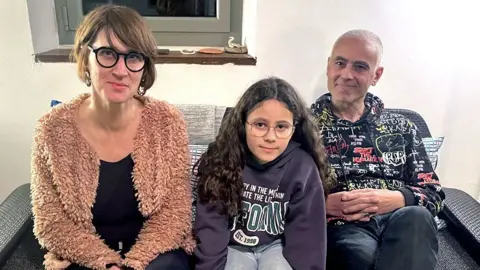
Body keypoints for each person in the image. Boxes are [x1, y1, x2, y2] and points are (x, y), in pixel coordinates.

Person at [30, 5, 194, 270]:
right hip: (85, 257)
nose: (121, 70)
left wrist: (132, 265)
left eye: (134, 57)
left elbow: (175, 214)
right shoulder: (52, 129)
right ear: (86, 57)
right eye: (108, 53)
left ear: (144, 67)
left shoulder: (167, 123)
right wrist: (106, 264)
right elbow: (51, 221)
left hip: (153, 257)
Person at [310, 29, 445, 270]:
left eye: (360, 67)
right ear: (329, 66)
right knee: (359, 257)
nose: (347, 74)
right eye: (340, 63)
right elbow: (280, 194)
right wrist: (320, 204)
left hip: (403, 219)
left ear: (376, 75)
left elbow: (434, 194)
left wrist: (397, 198)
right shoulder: (301, 127)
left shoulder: (403, 127)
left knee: (418, 217)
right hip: (345, 227)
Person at [193, 77, 335, 270]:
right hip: (233, 246)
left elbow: (308, 236)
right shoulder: (221, 158)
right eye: (260, 124)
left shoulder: (303, 167)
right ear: (243, 123)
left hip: (277, 246)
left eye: (281, 127)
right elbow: (211, 228)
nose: (270, 137)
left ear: (294, 128)